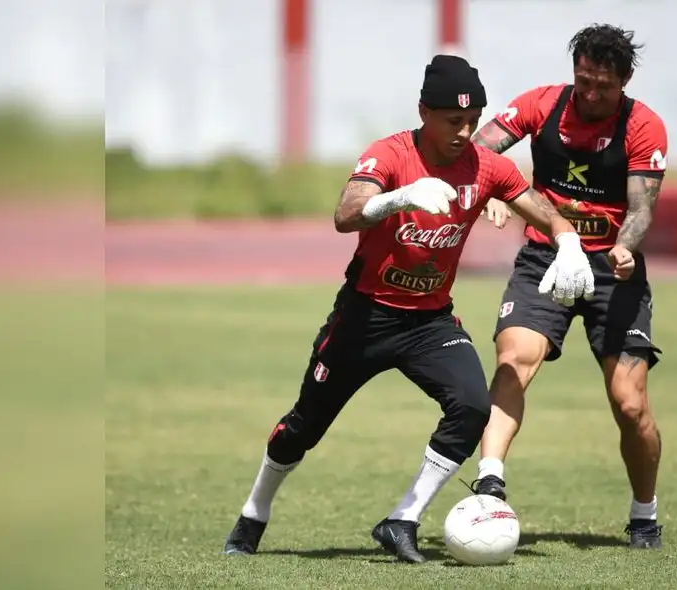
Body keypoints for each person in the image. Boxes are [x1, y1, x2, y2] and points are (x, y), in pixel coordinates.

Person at [221, 55, 594, 564]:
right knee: (302, 427)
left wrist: (568, 240)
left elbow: (541, 209)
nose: (465, 131)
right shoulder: (390, 154)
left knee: (472, 407)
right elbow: (345, 214)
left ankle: (402, 520)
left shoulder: (488, 166)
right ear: (423, 111)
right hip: (365, 316)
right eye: (452, 120)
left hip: (430, 322)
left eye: (472, 120)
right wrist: (398, 198)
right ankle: (253, 513)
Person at [468, 24, 669, 549]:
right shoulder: (542, 104)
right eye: (583, 81)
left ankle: (643, 514)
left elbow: (643, 204)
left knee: (629, 403)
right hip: (545, 256)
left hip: (611, 268)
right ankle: (490, 486)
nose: (590, 93)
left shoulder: (643, 125)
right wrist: (492, 185)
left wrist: (626, 246)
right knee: (513, 359)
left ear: (624, 81)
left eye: (602, 85)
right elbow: (477, 147)